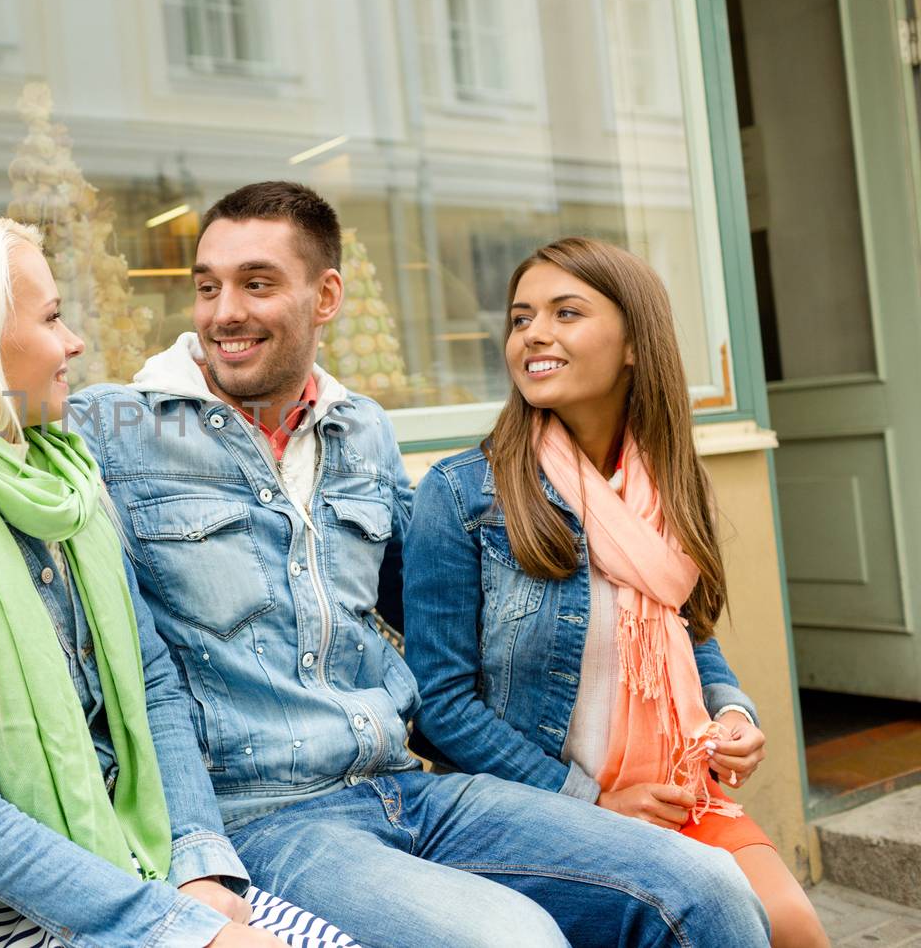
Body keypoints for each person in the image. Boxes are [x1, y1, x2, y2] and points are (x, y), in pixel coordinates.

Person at [65, 181, 773, 948]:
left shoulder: (362, 429)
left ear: (327, 295)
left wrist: (709, 697)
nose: (222, 312)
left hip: (409, 784)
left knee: (707, 888)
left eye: (257, 283)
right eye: (207, 286)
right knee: (516, 940)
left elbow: (443, 613)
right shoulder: (114, 428)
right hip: (268, 815)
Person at [0, 213, 357, 948]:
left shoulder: (71, 482)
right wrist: (173, 929)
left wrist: (199, 865)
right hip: (7, 910)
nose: (73, 342)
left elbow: (154, 683)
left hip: (152, 861)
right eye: (52, 317)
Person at [402, 237, 827, 947]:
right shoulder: (460, 494)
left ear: (634, 342)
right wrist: (595, 799)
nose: (534, 333)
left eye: (566, 312)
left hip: (674, 790)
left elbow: (688, 631)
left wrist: (730, 711)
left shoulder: (669, 480)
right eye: (520, 317)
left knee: (793, 927)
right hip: (541, 808)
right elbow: (440, 705)